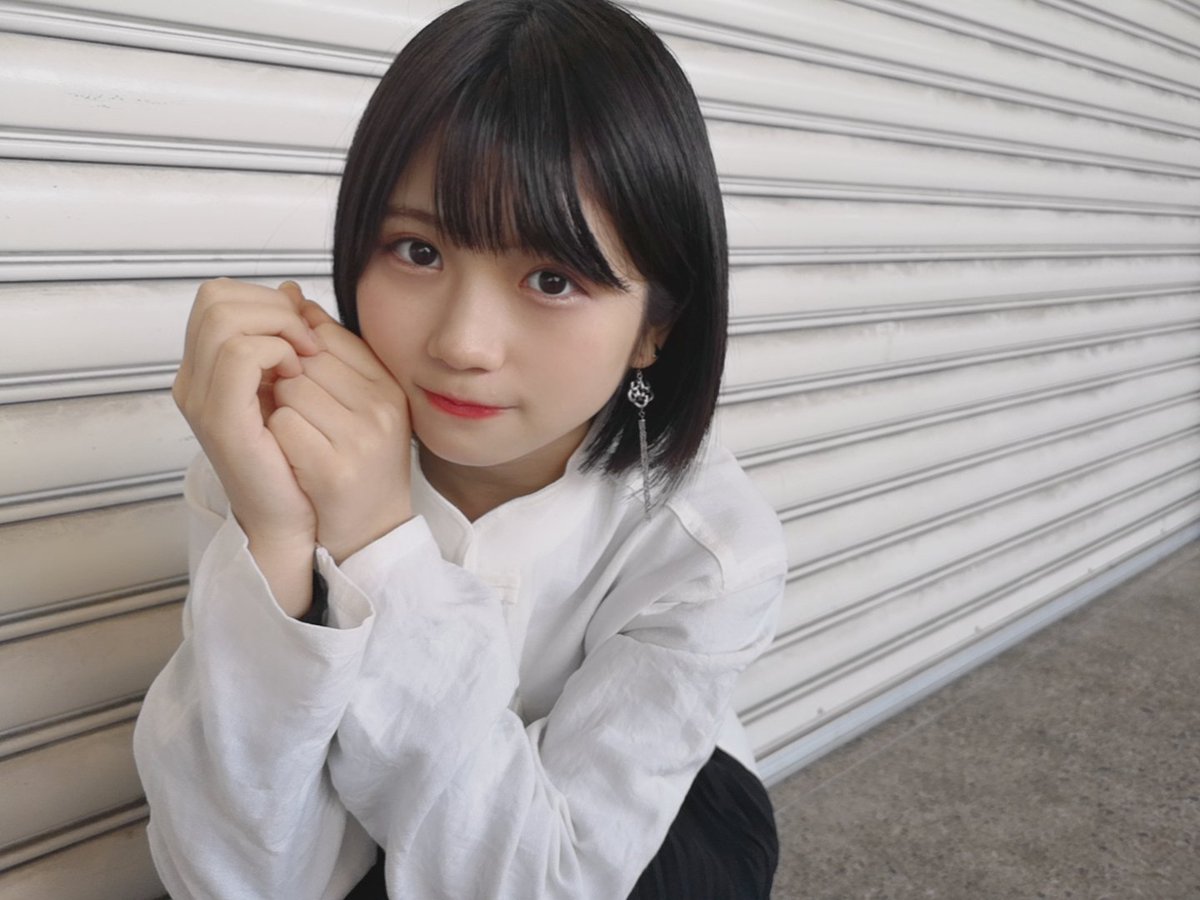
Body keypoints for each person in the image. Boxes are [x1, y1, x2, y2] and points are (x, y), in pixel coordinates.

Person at [132, 0, 787, 897]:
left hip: (645, 831)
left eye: (551, 278)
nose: (463, 343)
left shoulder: (706, 546)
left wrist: (377, 545)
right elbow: (235, 879)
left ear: (654, 328)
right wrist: (278, 540)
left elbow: (546, 880)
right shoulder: (270, 454)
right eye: (417, 251)